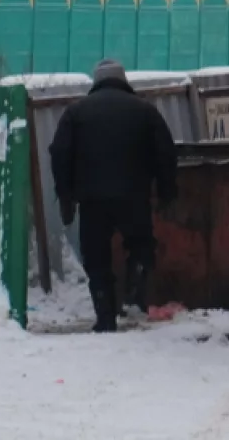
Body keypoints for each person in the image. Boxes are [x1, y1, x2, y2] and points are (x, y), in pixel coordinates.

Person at [50, 58, 179, 332]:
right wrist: (167, 190)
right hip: (134, 196)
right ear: (123, 81)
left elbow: (59, 153)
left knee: (96, 258)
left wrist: (65, 196)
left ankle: (105, 318)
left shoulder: (76, 112)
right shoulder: (145, 111)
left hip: (92, 200)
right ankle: (135, 287)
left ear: (96, 82)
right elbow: (166, 152)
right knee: (141, 244)